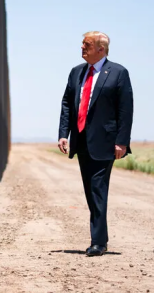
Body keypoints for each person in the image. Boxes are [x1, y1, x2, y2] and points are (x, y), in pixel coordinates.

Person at [58, 31, 134, 256]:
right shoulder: (76, 73)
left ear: (101, 49)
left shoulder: (118, 73)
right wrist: (64, 133)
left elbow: (125, 109)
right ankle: (100, 237)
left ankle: (98, 242)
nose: (82, 47)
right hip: (81, 142)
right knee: (91, 192)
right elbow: (67, 104)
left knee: (98, 189)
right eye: (83, 44)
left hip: (105, 143)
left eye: (87, 45)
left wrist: (122, 141)